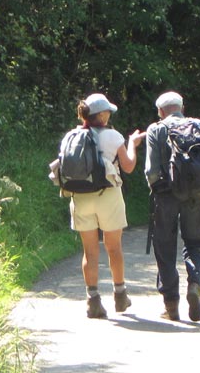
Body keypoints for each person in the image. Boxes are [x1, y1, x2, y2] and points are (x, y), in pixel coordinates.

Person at [62, 93, 146, 319]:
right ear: (101, 114)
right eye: (108, 111)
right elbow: (127, 167)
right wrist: (133, 144)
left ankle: (93, 301)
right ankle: (120, 295)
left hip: (80, 196)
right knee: (113, 247)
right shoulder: (113, 136)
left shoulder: (71, 136)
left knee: (89, 251)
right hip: (108, 194)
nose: (110, 114)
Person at [144, 91, 200, 322]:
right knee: (194, 243)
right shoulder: (198, 125)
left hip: (166, 197)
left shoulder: (156, 129)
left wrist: (157, 189)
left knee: (165, 248)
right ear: (182, 107)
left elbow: (151, 170)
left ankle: (171, 306)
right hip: (196, 196)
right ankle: (195, 284)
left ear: (160, 111)